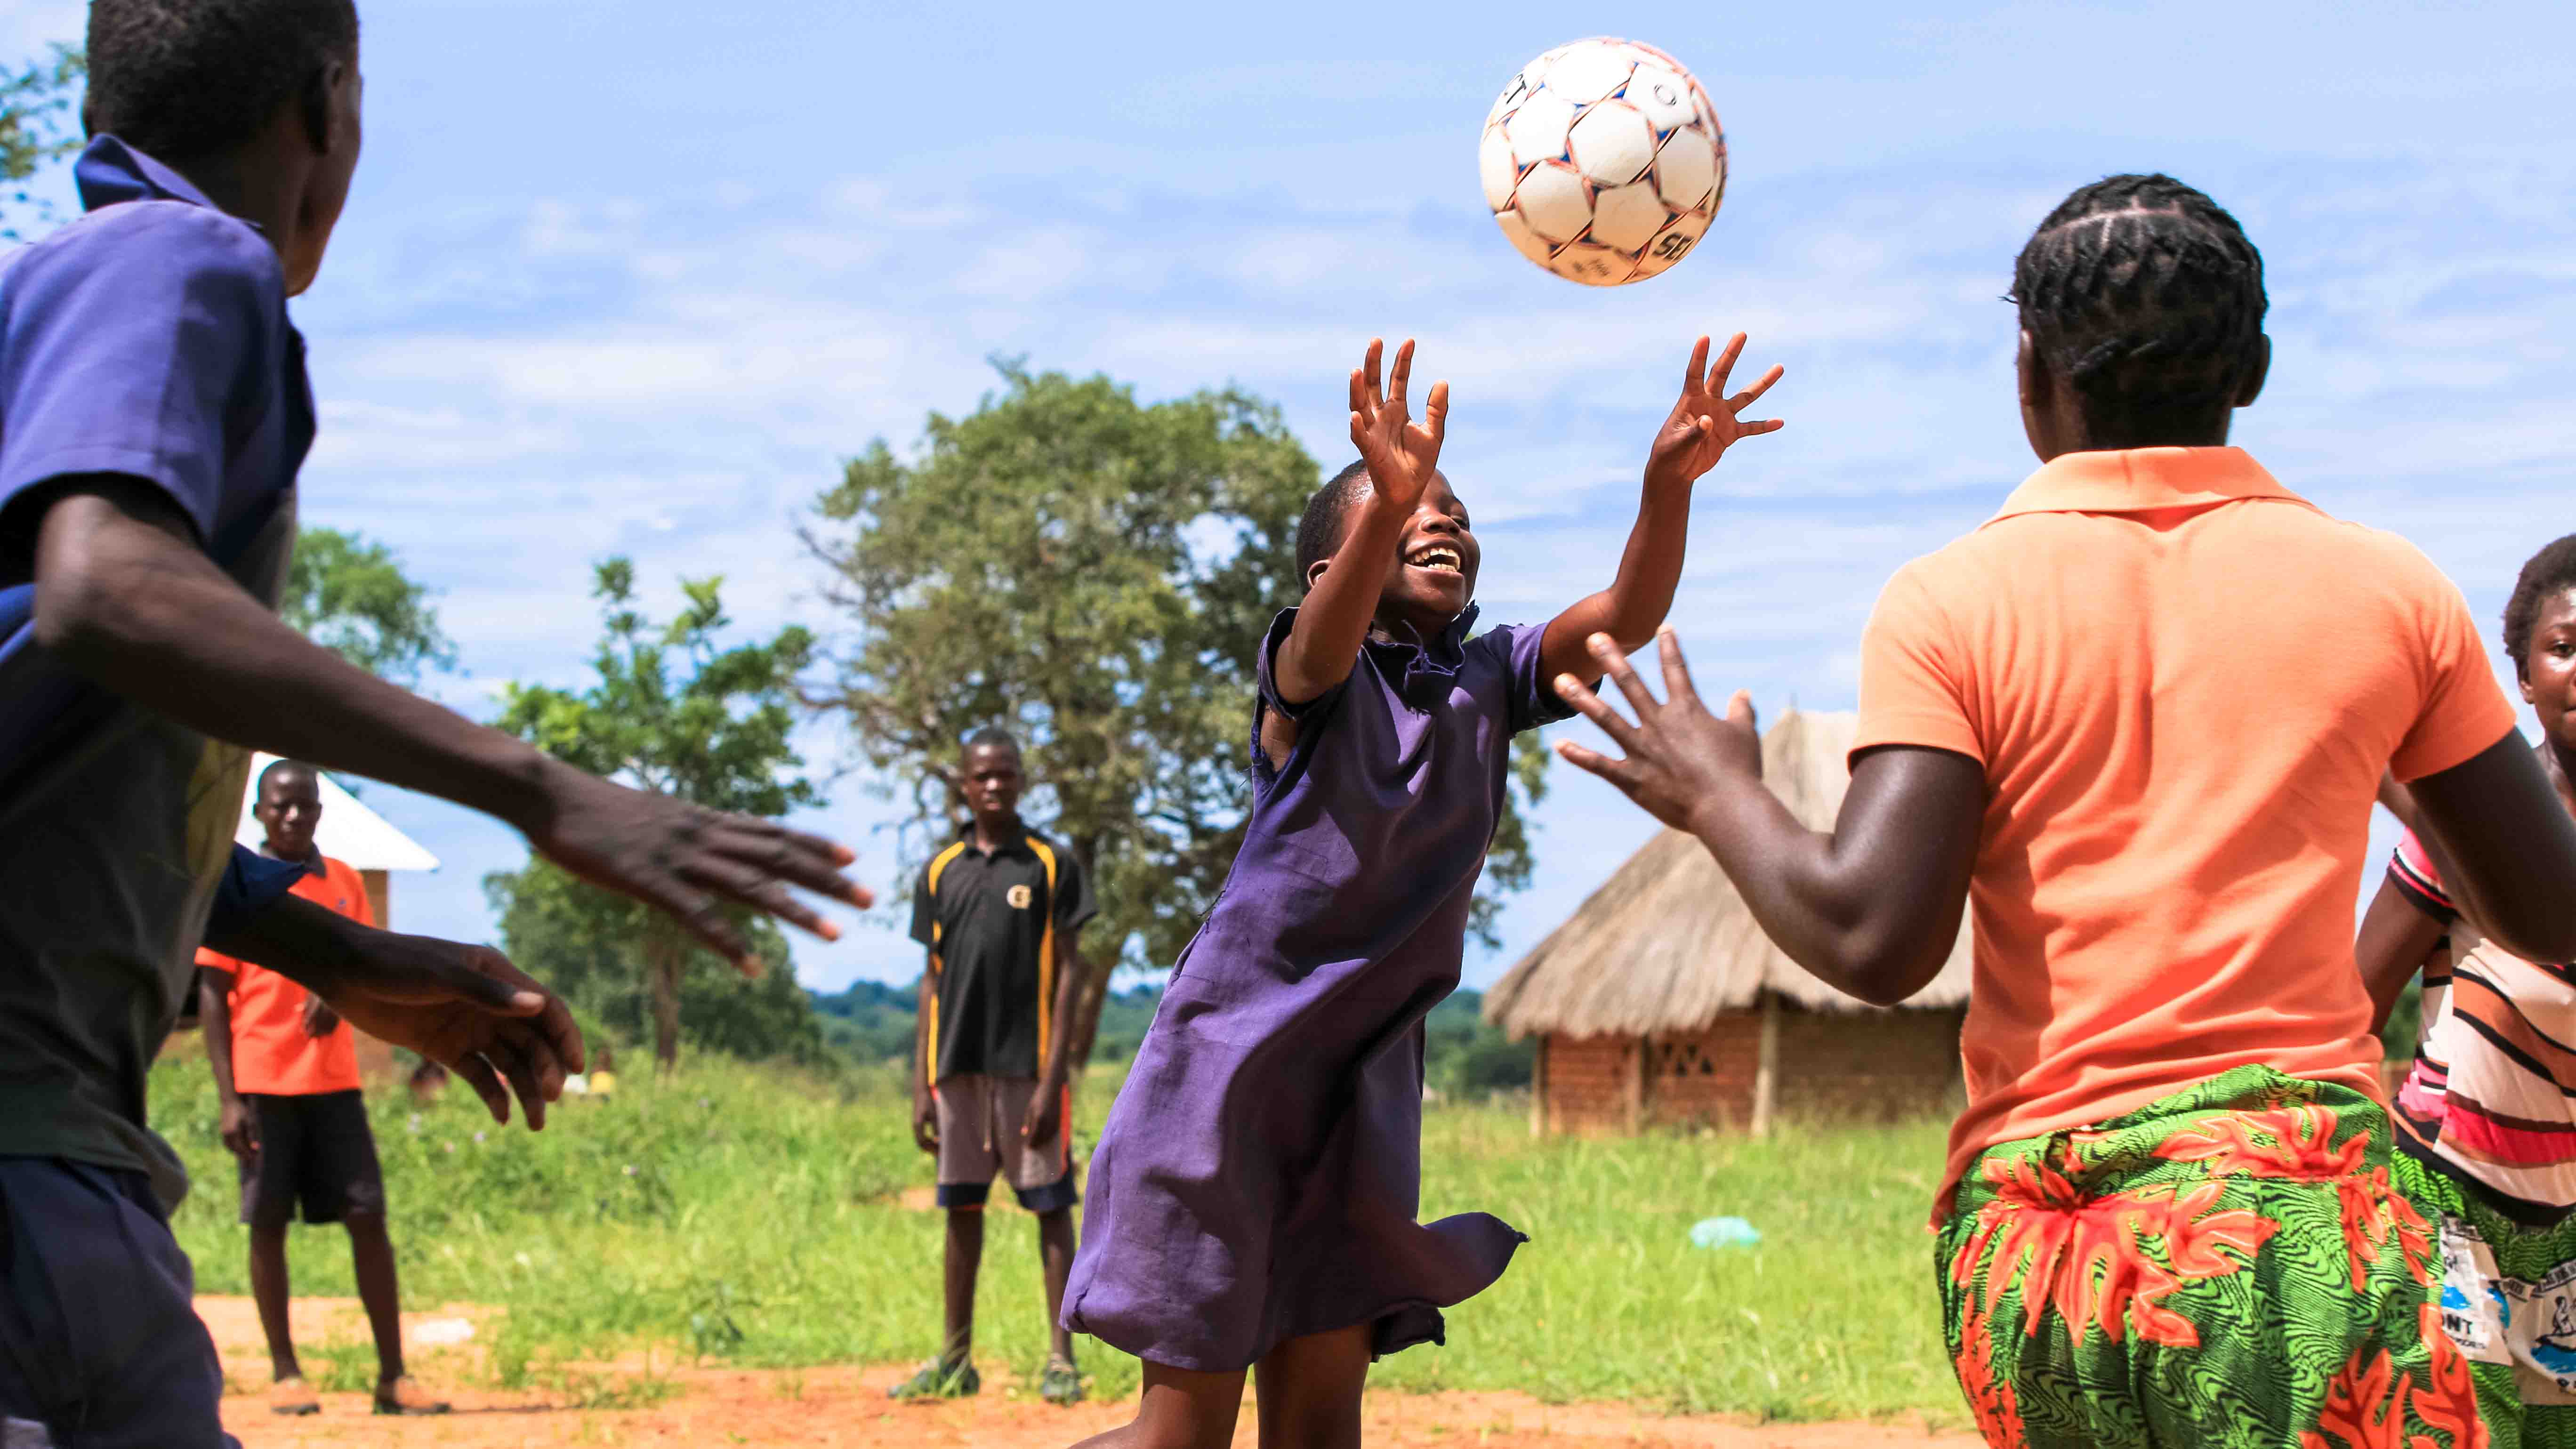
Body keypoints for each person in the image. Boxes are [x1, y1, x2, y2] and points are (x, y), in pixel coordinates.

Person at [1550, 174, 2576, 1449]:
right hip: (2306, 1233)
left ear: (2028, 369)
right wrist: (2384, 728)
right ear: (2251, 366)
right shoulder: (2389, 592)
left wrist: (1717, 789)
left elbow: (1873, 936)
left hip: (2048, 1253)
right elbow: (2547, 909)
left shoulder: (1951, 603)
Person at [0, 2, 869, 1442]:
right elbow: (106, 589)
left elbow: (59, 736)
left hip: (73, 1174)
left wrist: (340, 948)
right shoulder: (176, 257)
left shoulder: (70, 306)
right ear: (329, 109)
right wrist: (537, 787)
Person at [1062, 330, 1782, 1449]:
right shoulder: (1312, 677)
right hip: (1227, 1080)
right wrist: (1388, 500)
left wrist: (1665, 485)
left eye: (1453, 511)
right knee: (1181, 1438)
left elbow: (1625, 618)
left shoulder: (1490, 673)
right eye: (1406, 510)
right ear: (1330, 570)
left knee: (1319, 1423)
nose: (1441, 519)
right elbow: (1321, 639)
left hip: (1364, 1093)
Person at [2359, 533, 2576, 1445]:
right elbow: (2352, 1007)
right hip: (2452, 1209)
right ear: (2523, 677)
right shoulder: (2483, 836)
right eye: (2565, 647)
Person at [195, 760, 443, 1417]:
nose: (296, 816)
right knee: (268, 1222)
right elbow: (213, 995)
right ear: (260, 812)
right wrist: (228, 1096)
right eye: (283, 806)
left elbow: (363, 970)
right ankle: (286, 1372)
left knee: (368, 1216)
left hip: (335, 1083)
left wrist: (343, 995)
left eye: (306, 805)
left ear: (320, 813)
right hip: (262, 1082)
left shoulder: (344, 883)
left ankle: (393, 1375)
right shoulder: (239, 888)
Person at [894, 729, 1097, 1406]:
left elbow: (1070, 973)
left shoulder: (1049, 862)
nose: (994, 786)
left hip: (1027, 1071)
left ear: (1021, 781)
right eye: (982, 776)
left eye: (1006, 775)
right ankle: (955, 1358)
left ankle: (1061, 1359)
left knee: (1050, 1208)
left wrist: (1052, 1077)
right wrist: (921, 1083)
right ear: (962, 783)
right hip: (955, 1070)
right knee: (962, 1209)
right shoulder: (938, 869)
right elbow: (930, 979)